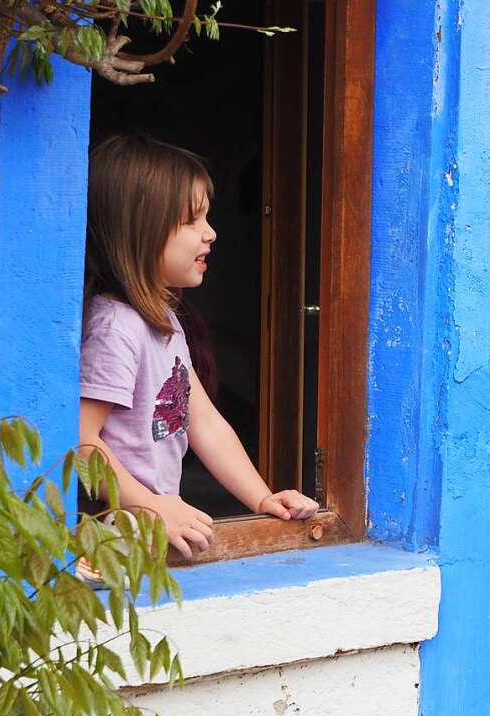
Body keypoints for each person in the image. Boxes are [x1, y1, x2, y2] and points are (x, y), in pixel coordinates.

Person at [79, 133, 319, 560]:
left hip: (148, 527)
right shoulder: (116, 327)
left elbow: (205, 423)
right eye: (192, 220)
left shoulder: (165, 322)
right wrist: (149, 504)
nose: (209, 234)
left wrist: (262, 500)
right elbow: (80, 440)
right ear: (140, 227)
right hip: (112, 537)